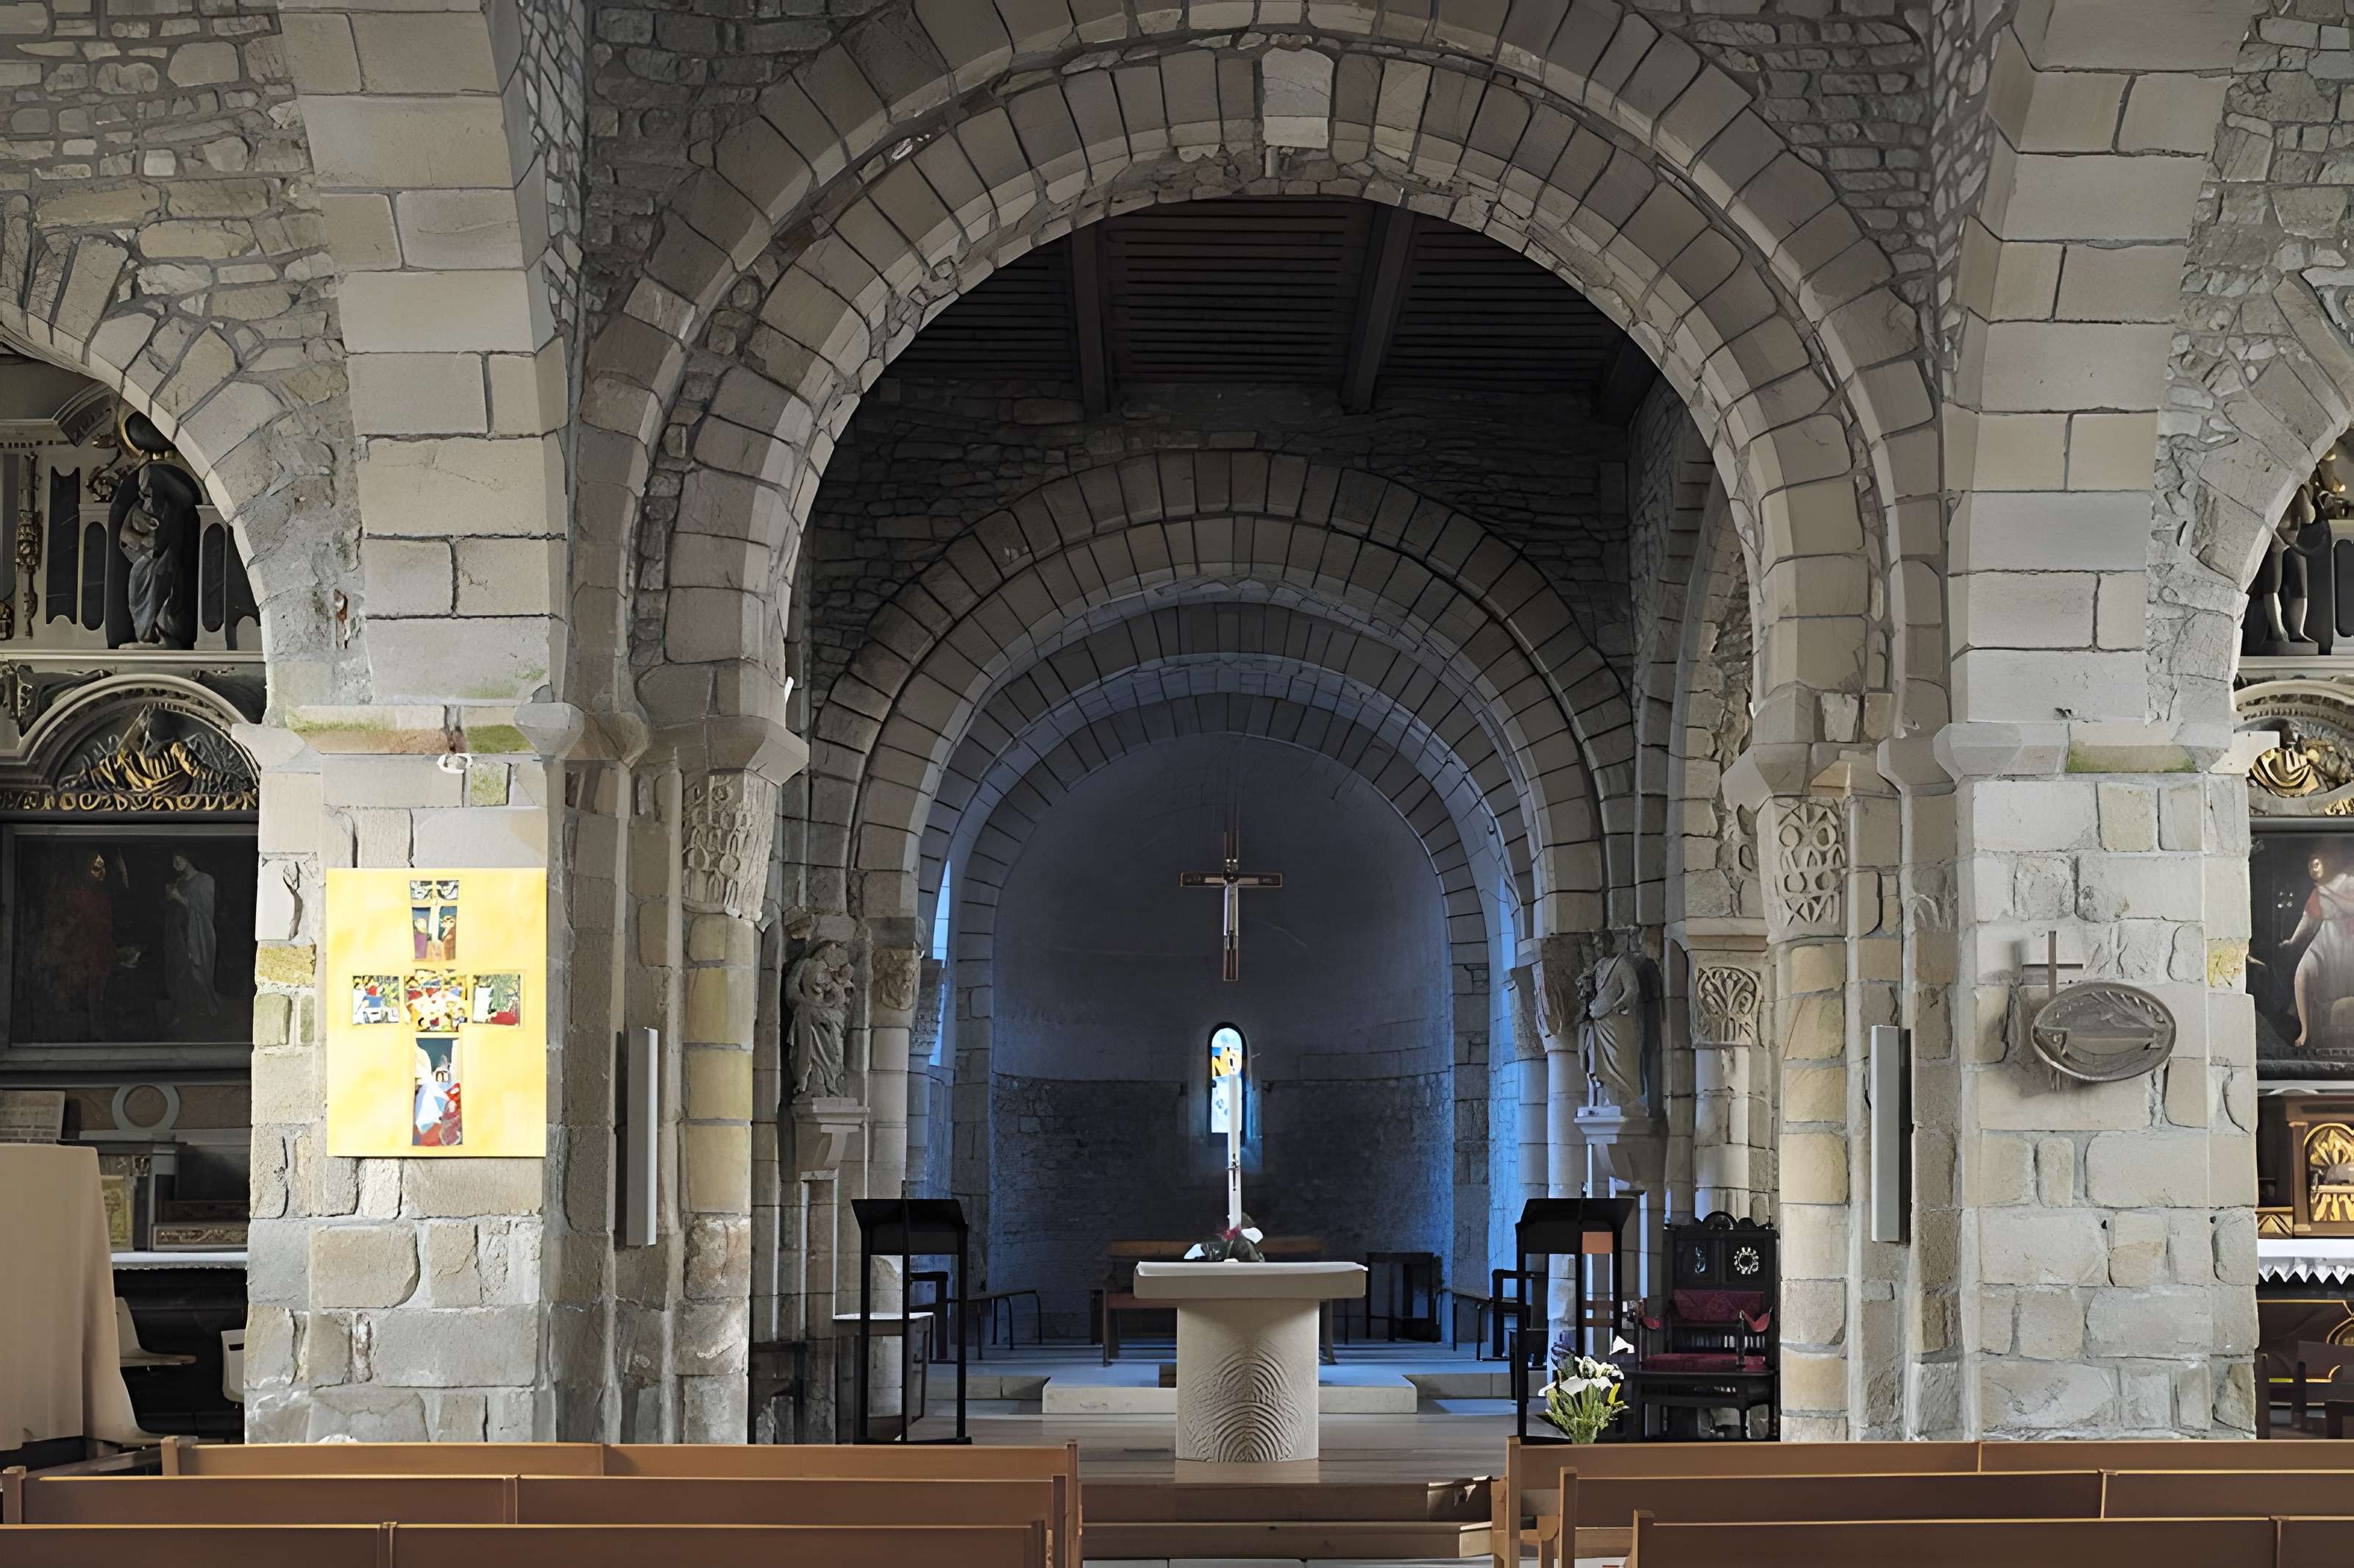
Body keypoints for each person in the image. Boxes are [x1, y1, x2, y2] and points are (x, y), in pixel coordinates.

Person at [2289, 850, 2354, 1049]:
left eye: (2316, 864)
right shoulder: (2320, 892)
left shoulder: (2347, 882)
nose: (2313, 868)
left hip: (2350, 938)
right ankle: (2306, 1031)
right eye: (2311, 864)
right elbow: (2308, 919)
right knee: (2303, 973)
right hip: (2327, 938)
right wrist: (2293, 942)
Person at [160, 849, 219, 1034]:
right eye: (173, 860)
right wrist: (169, 897)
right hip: (179, 935)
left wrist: (177, 896)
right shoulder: (180, 881)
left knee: (197, 971)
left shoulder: (205, 880)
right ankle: (183, 1012)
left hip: (197, 934)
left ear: (189, 857)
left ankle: (206, 1013)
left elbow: (205, 910)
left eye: (179, 858)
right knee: (179, 973)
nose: (176, 863)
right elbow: (172, 909)